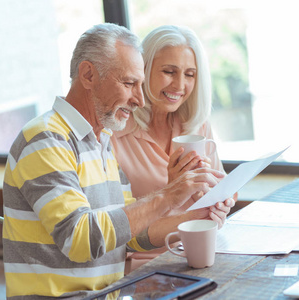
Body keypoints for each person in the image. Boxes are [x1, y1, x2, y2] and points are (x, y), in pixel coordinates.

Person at [2, 23, 232, 299]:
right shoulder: (45, 138)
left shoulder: (101, 141)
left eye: (141, 85)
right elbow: (80, 239)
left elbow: (132, 236)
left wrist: (198, 216)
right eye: (129, 83)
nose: (138, 99)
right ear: (88, 74)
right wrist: (168, 195)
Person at [111, 25, 237, 272]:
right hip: (145, 265)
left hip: (202, 254)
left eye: (190, 74)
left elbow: (224, 189)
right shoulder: (115, 134)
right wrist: (173, 192)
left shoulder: (197, 126)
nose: (180, 85)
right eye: (169, 72)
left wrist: (221, 202)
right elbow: (117, 230)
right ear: (143, 70)